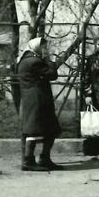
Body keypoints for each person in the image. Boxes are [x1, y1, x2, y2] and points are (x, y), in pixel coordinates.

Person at [16, 37, 63, 171]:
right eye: (43, 47)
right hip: (38, 98)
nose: (45, 49)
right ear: (36, 47)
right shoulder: (35, 61)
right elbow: (53, 74)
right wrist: (49, 60)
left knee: (49, 129)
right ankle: (30, 160)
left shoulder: (24, 60)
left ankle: (41, 159)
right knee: (35, 129)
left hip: (31, 99)